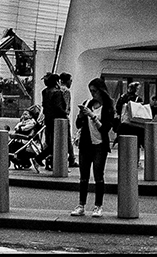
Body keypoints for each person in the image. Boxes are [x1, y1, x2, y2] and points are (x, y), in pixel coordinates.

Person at [71, 78, 114, 217]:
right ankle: (81, 205)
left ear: (101, 91)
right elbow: (78, 125)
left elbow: (105, 129)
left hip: (100, 145)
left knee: (98, 176)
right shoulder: (88, 103)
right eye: (91, 91)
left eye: (95, 91)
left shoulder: (108, 107)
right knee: (83, 177)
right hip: (86, 144)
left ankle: (98, 206)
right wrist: (81, 116)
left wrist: (93, 116)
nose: (92, 94)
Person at [40, 73, 68, 163]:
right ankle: (40, 158)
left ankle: (50, 160)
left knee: (50, 141)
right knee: (57, 143)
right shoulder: (57, 93)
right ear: (56, 82)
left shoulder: (45, 92)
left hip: (48, 119)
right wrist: (65, 114)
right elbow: (58, 107)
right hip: (57, 120)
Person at [59, 73, 76, 166]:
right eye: (70, 80)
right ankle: (71, 159)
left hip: (55, 118)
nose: (71, 82)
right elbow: (66, 106)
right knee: (68, 139)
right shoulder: (66, 91)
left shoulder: (57, 89)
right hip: (64, 118)